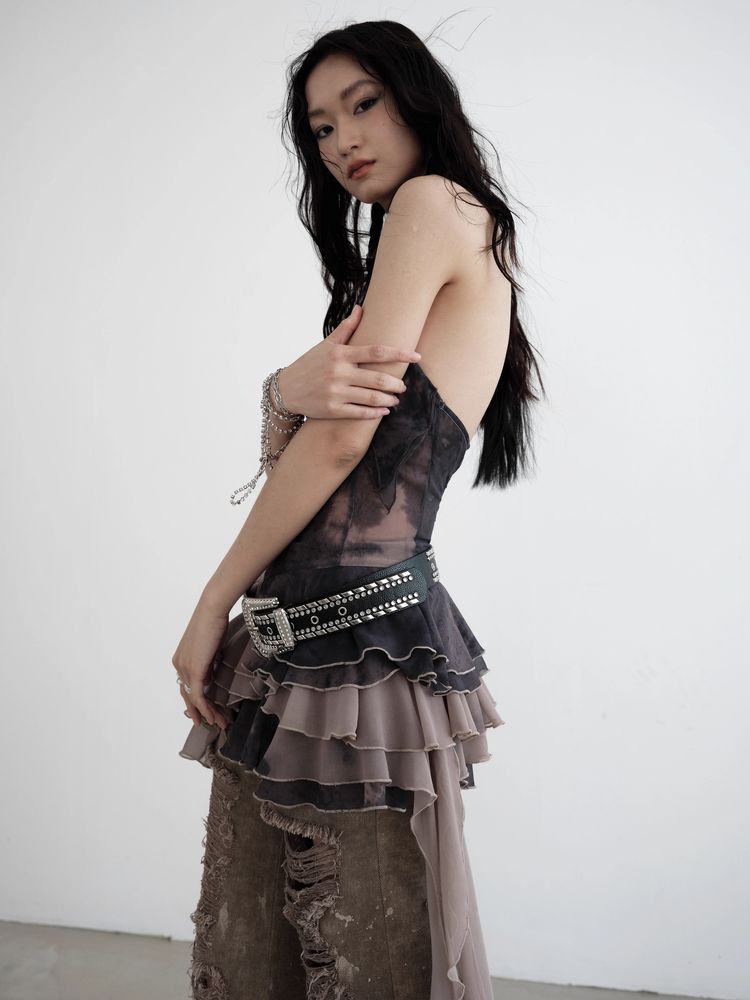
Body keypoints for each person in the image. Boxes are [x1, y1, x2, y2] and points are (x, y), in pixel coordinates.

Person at [173, 18, 545, 1000]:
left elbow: (339, 444)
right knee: (297, 953)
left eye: (362, 105)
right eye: (321, 127)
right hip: (314, 646)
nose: (342, 140)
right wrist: (284, 397)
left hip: (358, 654)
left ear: (417, 98)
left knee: (352, 956)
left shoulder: (432, 202)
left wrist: (211, 601)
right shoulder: (442, 226)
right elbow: (322, 454)